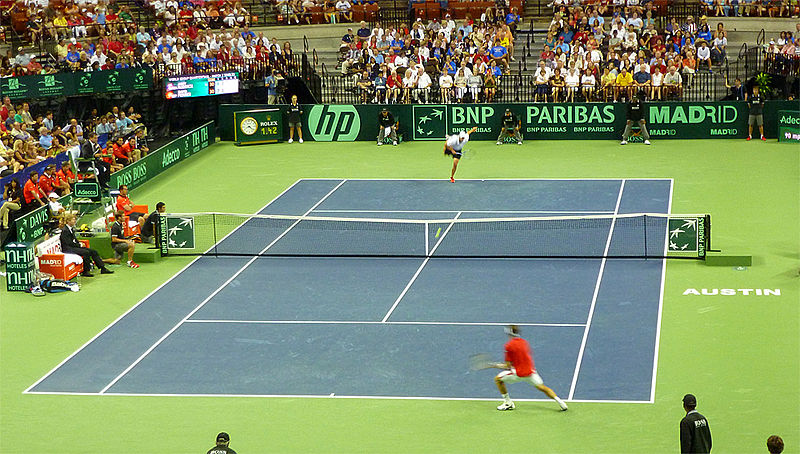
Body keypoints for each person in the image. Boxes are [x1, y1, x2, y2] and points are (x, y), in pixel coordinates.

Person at [494, 325, 568, 411]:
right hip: (531, 372)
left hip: (518, 374)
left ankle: (508, 403)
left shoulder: (508, 346)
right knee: (542, 387)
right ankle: (561, 403)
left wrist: (497, 365)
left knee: (498, 379)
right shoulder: (524, 342)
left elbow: (508, 366)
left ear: (508, 333)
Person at [60, 213, 114, 277]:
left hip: (73, 246)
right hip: (68, 249)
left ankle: (102, 268)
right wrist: (79, 245)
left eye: (74, 219)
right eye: (73, 219)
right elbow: (68, 243)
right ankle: (86, 271)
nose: (74, 221)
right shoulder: (65, 230)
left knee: (94, 251)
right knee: (86, 252)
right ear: (68, 221)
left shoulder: (71, 228)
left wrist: (79, 243)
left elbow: (74, 239)